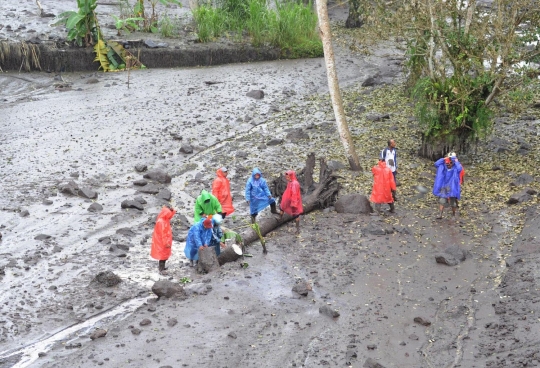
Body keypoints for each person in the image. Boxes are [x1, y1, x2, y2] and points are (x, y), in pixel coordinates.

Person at [433, 155, 463, 219]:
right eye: (447, 163)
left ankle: (453, 215)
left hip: (452, 187)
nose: (448, 165)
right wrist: (443, 159)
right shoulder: (443, 167)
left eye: (450, 163)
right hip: (444, 186)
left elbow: (459, 168)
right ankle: (440, 215)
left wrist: (456, 161)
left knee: (453, 202)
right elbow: (436, 164)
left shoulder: (455, 168)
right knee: (442, 200)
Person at [150, 206, 176, 274]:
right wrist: (166, 243)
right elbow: (163, 234)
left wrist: (172, 211)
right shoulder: (161, 222)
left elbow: (170, 216)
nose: (169, 216)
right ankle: (161, 269)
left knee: (164, 255)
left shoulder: (164, 219)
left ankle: (162, 267)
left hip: (164, 240)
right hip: (162, 241)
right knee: (162, 255)